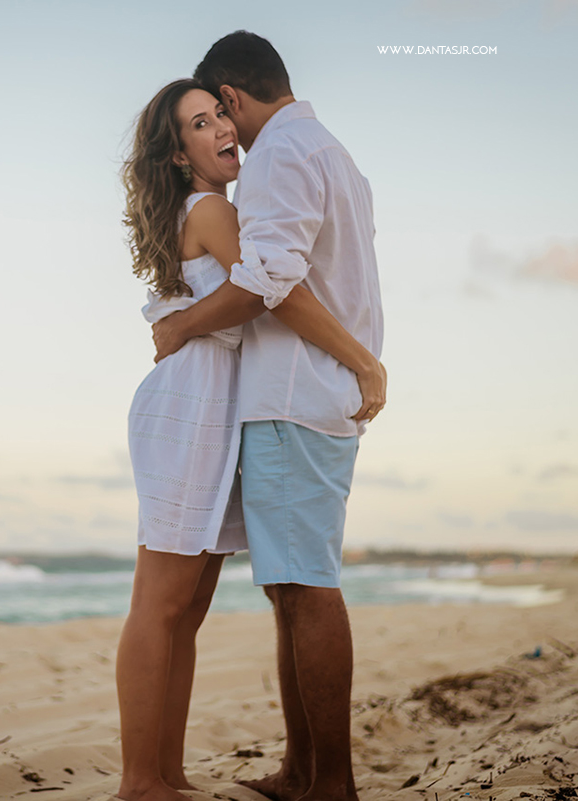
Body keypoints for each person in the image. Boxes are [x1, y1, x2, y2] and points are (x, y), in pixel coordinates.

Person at [115, 77, 385, 801]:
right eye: (200, 124)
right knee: (162, 602)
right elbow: (280, 292)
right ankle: (142, 780)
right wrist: (362, 359)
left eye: (219, 114)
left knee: (187, 609)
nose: (222, 129)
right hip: (190, 407)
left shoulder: (212, 207)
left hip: (213, 405)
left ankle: (165, 774)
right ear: (178, 154)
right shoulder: (210, 210)